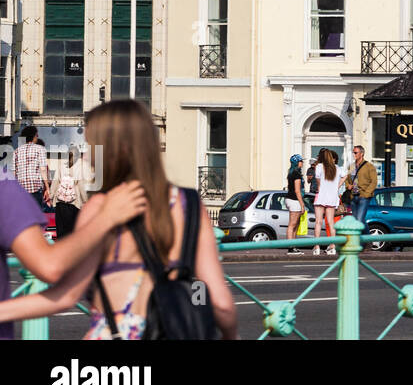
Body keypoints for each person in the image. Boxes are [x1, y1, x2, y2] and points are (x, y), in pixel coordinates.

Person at [0, 100, 237, 340]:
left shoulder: (101, 209)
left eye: (93, 145)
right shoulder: (188, 204)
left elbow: (65, 296)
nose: (89, 154)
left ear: (112, 150)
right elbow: (222, 304)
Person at [0, 164, 148, 341]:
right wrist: (105, 218)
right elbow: (50, 267)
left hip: (63, 204)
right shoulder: (4, 184)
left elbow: (66, 293)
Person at [51, 144, 92, 239]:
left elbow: (55, 181)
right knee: (73, 233)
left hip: (60, 203)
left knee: (61, 233)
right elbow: (82, 186)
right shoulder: (82, 166)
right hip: (75, 204)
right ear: (78, 155)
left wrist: (51, 196)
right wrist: (86, 200)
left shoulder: (61, 165)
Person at [312, 149, 345, 256]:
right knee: (331, 222)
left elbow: (318, 181)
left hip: (321, 196)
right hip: (332, 197)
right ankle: (332, 246)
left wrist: (322, 186)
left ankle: (316, 246)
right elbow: (345, 175)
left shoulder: (319, 167)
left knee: (318, 222)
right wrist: (337, 185)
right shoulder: (337, 168)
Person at [14, 126, 50, 209]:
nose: (37, 137)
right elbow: (43, 169)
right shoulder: (39, 149)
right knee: (36, 216)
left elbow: (15, 173)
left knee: (24, 216)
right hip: (35, 189)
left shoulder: (17, 151)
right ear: (33, 136)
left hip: (21, 190)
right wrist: (47, 188)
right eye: (37, 135)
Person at [345, 145, 378, 228]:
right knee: (358, 221)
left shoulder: (369, 166)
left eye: (355, 152)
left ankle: (363, 240)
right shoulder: (351, 166)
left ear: (362, 153)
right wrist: (347, 185)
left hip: (363, 197)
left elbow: (374, 182)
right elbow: (347, 179)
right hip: (353, 196)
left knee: (359, 221)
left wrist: (365, 194)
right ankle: (367, 239)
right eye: (353, 152)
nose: (354, 154)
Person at [286, 154, 307, 255]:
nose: (302, 163)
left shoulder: (291, 173)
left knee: (295, 225)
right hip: (294, 200)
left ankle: (293, 246)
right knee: (292, 224)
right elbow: (297, 191)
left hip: (291, 199)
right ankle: (291, 247)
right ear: (297, 162)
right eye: (301, 161)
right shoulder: (296, 174)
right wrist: (302, 204)